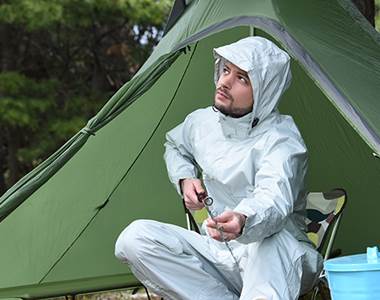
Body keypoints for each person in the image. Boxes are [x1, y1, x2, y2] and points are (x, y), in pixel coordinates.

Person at [115, 36, 323, 300]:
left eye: (242, 78)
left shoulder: (282, 138)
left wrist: (243, 218)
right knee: (135, 238)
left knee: (273, 243)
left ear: (265, 91)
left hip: (279, 259)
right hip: (220, 254)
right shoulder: (201, 122)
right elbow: (175, 146)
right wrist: (185, 178)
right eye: (226, 70)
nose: (225, 82)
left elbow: (274, 197)